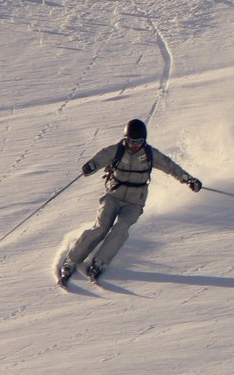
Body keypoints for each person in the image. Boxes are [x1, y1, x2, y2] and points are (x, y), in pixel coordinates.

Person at [58, 118, 201, 286]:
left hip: (134, 202)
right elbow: (100, 158)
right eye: (131, 141)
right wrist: (90, 166)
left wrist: (188, 179)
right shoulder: (117, 151)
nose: (134, 145)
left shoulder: (149, 154)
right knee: (101, 227)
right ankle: (72, 260)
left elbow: (170, 166)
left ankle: (99, 261)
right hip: (113, 197)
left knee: (121, 228)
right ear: (125, 139)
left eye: (138, 142)